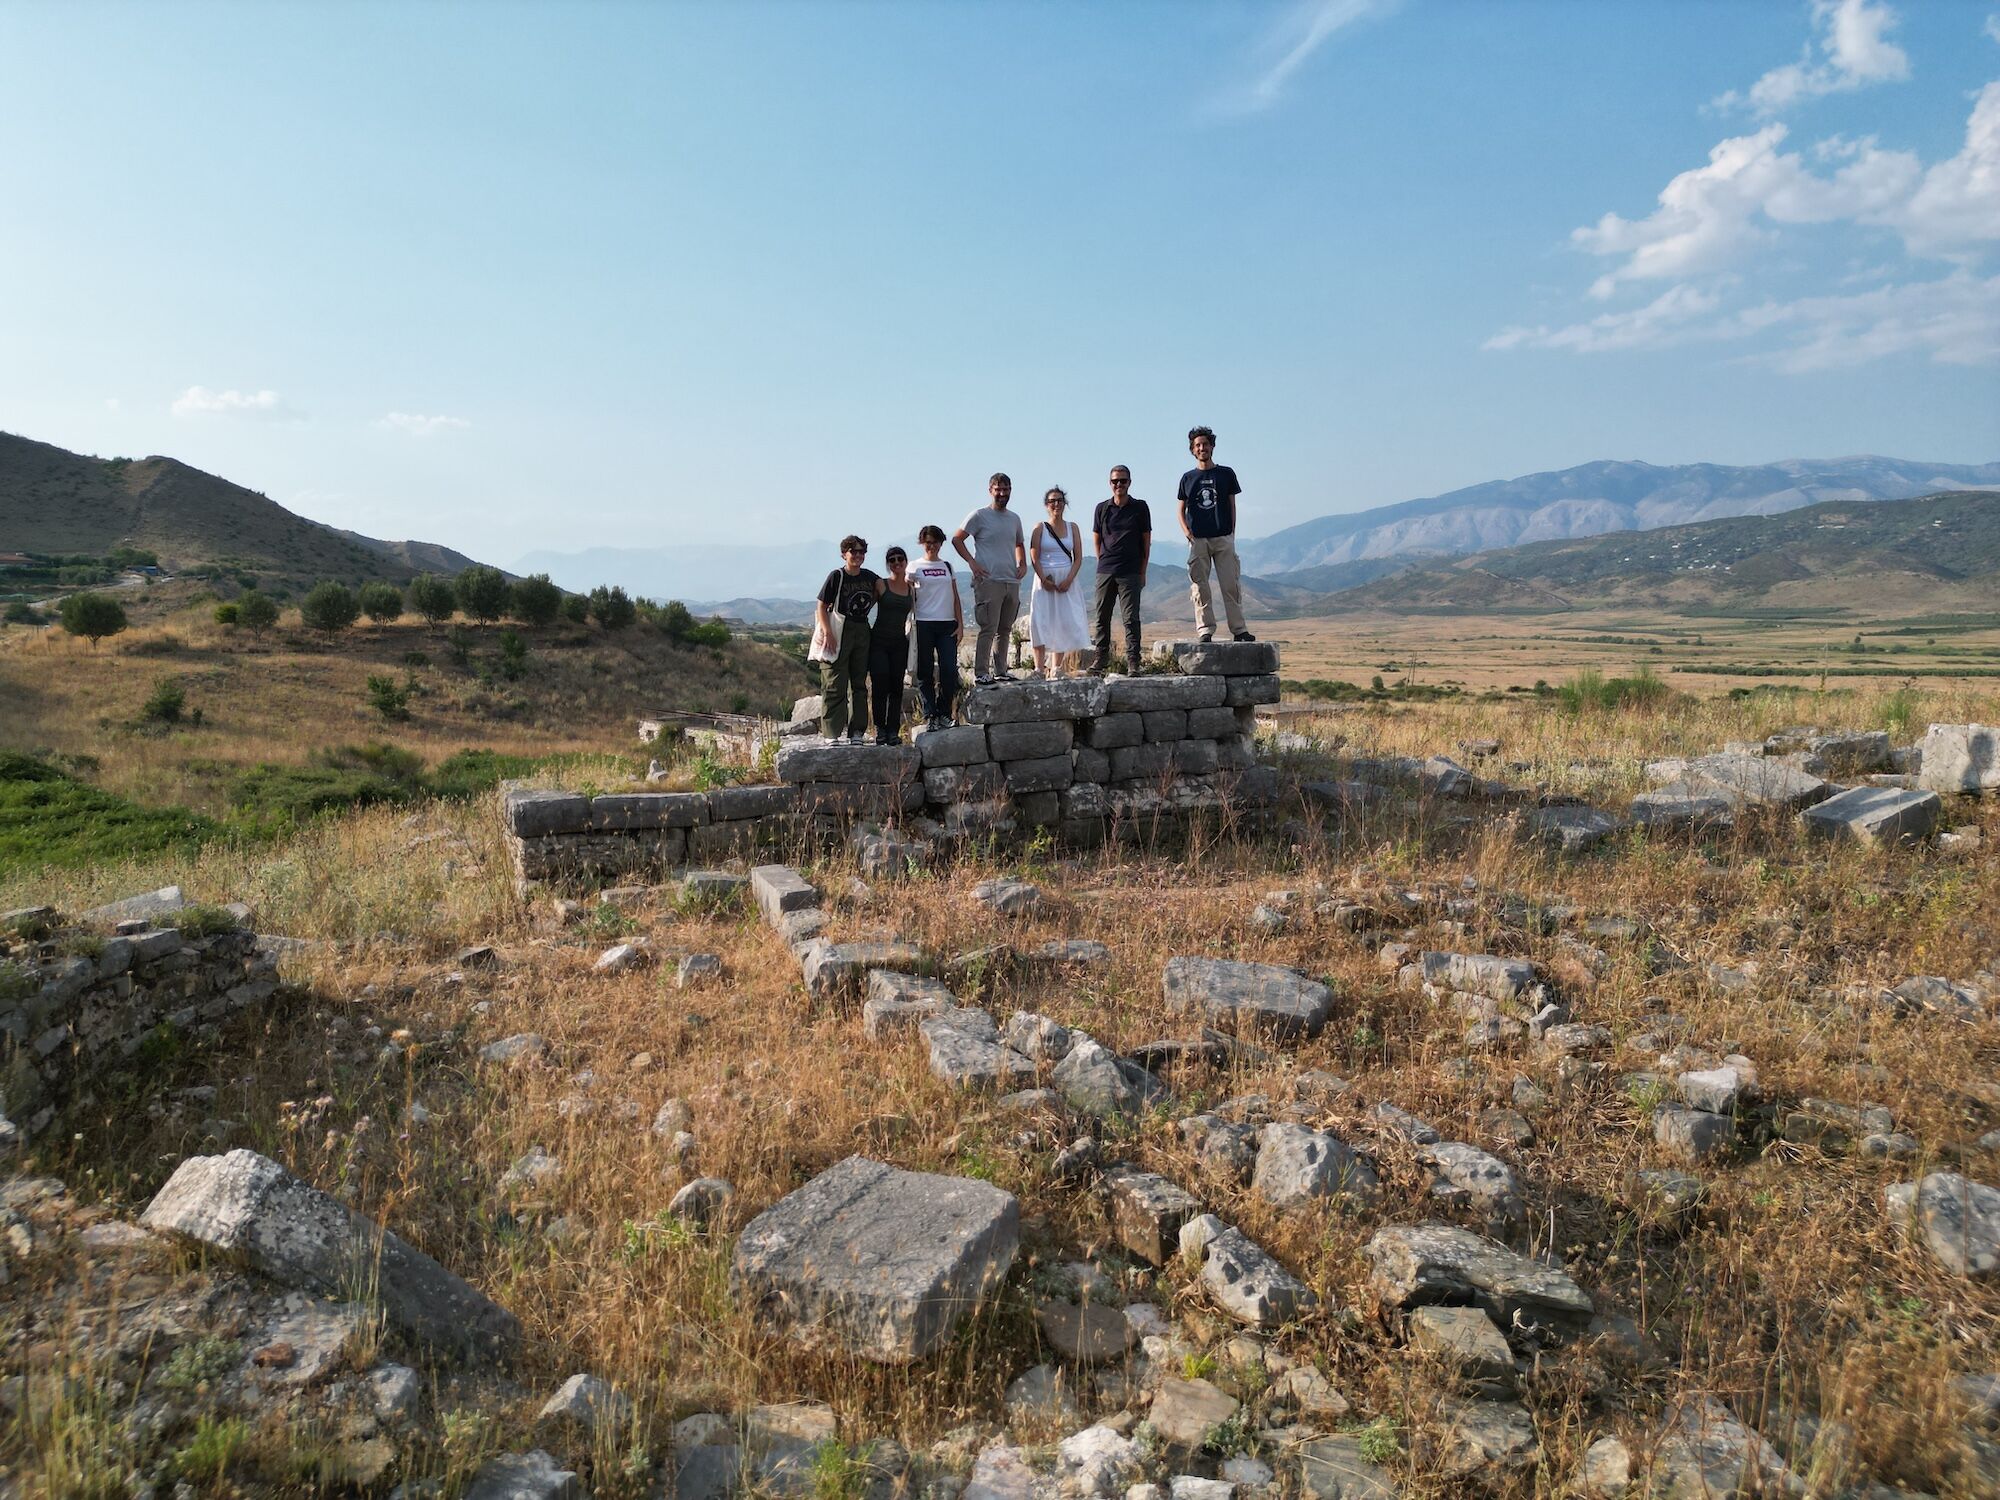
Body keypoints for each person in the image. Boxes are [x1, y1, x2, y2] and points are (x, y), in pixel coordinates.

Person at [1177, 425, 1256, 645]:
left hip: (1223, 538)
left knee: (1231, 585)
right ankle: (1205, 630)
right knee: (1200, 587)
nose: (1202, 448)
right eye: (1198, 445)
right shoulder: (1187, 478)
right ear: (1193, 450)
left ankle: (1239, 630)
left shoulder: (1226, 474)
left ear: (1212, 446)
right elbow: (1180, 509)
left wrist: (1231, 533)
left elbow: (1232, 505)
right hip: (1198, 540)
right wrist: (1187, 533)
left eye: (1205, 444)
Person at [952, 473, 1027, 684]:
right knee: (988, 627)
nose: (1002, 493)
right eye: (998, 489)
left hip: (1011, 581)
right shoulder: (979, 516)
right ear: (990, 490)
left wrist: (1022, 564)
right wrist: (971, 562)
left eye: (1006, 489)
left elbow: (1019, 543)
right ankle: (981, 672)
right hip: (988, 580)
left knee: (1005, 629)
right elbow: (957, 539)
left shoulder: (1014, 518)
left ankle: (1001, 671)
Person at [814, 535, 878, 742]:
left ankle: (857, 731)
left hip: (861, 627)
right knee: (834, 682)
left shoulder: (869, 577)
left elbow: (883, 590)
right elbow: (822, 606)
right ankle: (832, 733)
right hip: (840, 628)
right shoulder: (837, 576)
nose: (858, 555)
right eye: (854, 551)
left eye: (862, 552)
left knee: (859, 684)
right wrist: (828, 632)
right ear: (844, 554)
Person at [1092, 464, 1151, 673]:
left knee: (1131, 618)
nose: (1119, 484)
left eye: (1123, 480)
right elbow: (1097, 537)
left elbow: (1146, 541)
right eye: (1115, 481)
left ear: (1129, 483)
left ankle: (1133, 661)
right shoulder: (1102, 508)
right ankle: (1101, 659)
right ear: (1110, 483)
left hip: (1130, 571)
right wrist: (1104, 561)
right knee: (1101, 616)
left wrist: (1142, 571)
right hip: (1106, 570)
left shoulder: (1140, 507)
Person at [1027, 488, 1089, 678]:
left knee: (1062, 621)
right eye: (1053, 501)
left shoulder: (1073, 528)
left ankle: (1057, 667)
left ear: (1065, 504)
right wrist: (1043, 578)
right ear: (1046, 505)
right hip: (1044, 579)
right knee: (1039, 620)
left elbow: (1078, 557)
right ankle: (1038, 668)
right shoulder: (1039, 528)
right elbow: (1034, 556)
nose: (1057, 504)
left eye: (1060, 501)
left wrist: (1069, 579)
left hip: (1066, 577)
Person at [910, 524, 964, 730]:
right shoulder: (914, 567)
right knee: (924, 671)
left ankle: (944, 712)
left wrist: (960, 624)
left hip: (946, 623)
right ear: (922, 543)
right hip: (923, 623)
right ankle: (929, 713)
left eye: (935, 542)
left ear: (941, 543)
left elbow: (955, 596)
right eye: (927, 542)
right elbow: (907, 593)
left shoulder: (947, 566)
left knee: (949, 670)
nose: (931, 546)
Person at [869, 546, 915, 744]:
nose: (896, 563)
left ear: (906, 561)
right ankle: (880, 729)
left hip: (899, 643)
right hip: (878, 641)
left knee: (896, 688)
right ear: (888, 564)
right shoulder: (881, 584)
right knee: (880, 686)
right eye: (892, 560)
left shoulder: (912, 588)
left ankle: (893, 731)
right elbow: (864, 606)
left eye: (900, 559)